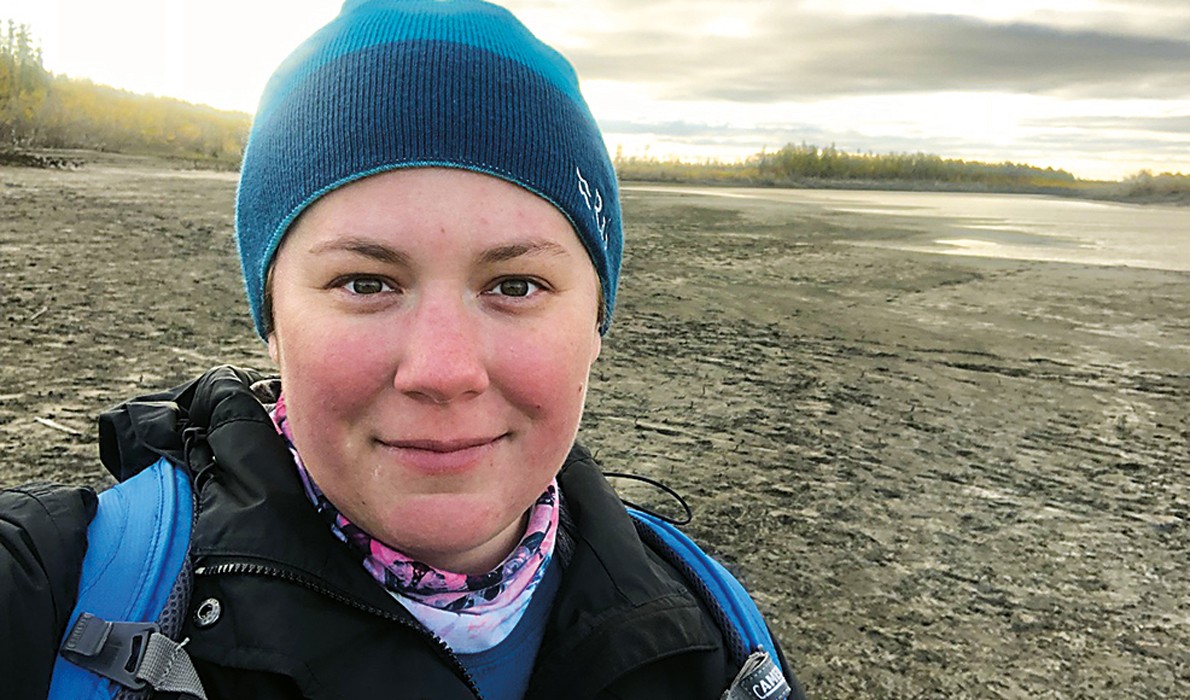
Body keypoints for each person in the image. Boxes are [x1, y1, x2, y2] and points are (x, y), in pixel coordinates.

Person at [1, 1, 806, 698]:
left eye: (516, 285)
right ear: (272, 317)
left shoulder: (720, 639)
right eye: (365, 282)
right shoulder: (52, 591)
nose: (443, 370)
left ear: (598, 320)